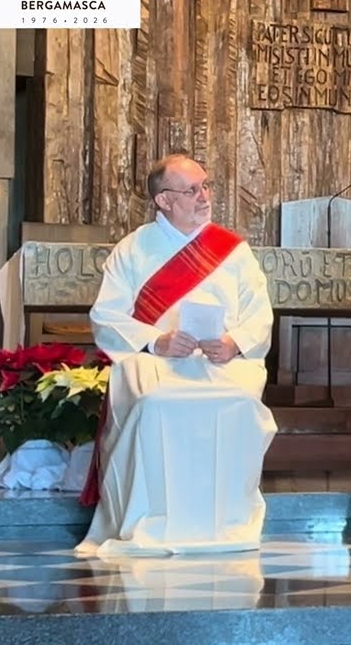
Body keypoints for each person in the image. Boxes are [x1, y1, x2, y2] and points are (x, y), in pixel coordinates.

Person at [78, 153, 276, 556]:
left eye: (206, 186)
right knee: (154, 403)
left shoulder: (233, 251)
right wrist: (156, 340)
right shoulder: (133, 250)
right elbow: (106, 317)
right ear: (164, 200)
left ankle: (226, 523)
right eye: (192, 190)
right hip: (154, 361)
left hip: (221, 362)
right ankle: (150, 522)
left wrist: (234, 342)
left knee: (239, 401)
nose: (205, 197)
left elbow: (260, 313)